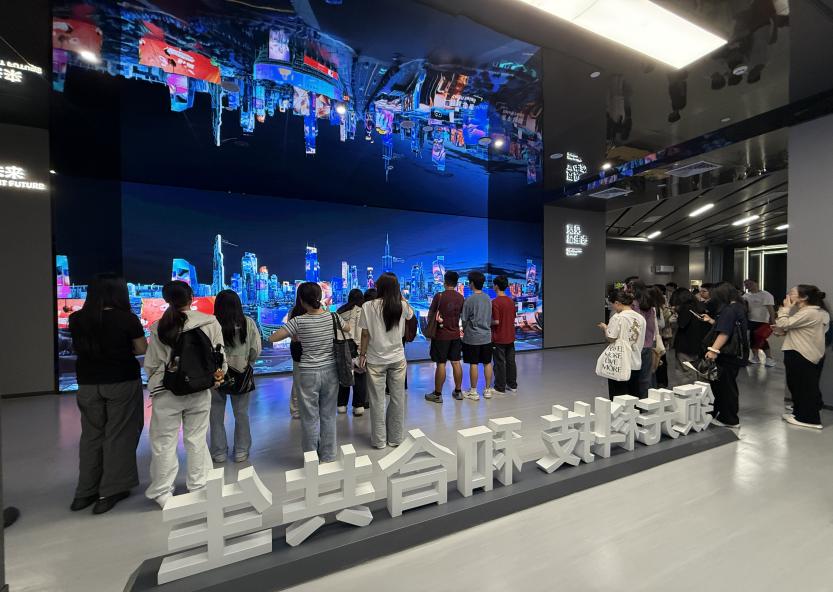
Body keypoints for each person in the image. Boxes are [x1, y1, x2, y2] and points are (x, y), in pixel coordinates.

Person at [68, 274, 146, 514]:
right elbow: (141, 349)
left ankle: (85, 492)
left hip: (87, 383)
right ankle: (110, 491)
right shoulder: (127, 319)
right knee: (119, 434)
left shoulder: (77, 319)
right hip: (121, 381)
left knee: (91, 436)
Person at [144, 280, 226, 508]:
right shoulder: (209, 322)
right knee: (196, 439)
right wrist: (216, 378)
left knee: (164, 442)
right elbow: (219, 356)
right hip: (199, 389)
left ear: (166, 300)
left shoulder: (159, 326)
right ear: (192, 298)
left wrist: (156, 381)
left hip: (166, 391)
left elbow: (152, 363)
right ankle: (199, 485)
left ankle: (162, 491)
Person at [269, 282, 342, 462]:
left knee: (309, 418)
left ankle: (311, 459)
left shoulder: (298, 321)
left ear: (301, 300)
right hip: (331, 371)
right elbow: (347, 328)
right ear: (319, 297)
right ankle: (329, 455)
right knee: (328, 415)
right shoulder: (333, 317)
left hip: (307, 372)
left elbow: (273, 337)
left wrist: (295, 335)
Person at [357, 273, 414, 448]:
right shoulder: (402, 305)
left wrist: (362, 355)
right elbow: (410, 315)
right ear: (397, 288)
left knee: (377, 401)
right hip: (397, 358)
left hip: (375, 360)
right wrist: (400, 296)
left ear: (379, 287)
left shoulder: (368, 306)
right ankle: (395, 438)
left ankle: (379, 440)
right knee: (398, 399)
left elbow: (365, 334)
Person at [209, 290, 261, 463]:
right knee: (241, 414)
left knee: (215, 415)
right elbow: (255, 350)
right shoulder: (247, 322)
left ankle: (219, 452)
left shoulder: (211, 323)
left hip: (215, 374)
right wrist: (248, 362)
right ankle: (241, 451)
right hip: (241, 372)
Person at [776, 285, 830, 429]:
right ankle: (799, 414)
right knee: (798, 386)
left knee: (804, 387)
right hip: (800, 351)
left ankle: (810, 419)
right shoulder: (809, 312)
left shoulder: (810, 312)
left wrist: (785, 309)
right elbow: (792, 328)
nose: (788, 295)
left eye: (792, 293)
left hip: (801, 353)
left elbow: (783, 322)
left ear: (804, 297)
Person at [703, 282, 749, 428]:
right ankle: (722, 414)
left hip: (726, 355)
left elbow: (724, 332)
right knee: (727, 385)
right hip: (735, 355)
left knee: (725, 387)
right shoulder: (739, 307)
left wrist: (713, 350)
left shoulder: (729, 310)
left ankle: (729, 419)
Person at [424, 271, 465, 403]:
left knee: (441, 363)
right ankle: (458, 391)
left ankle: (437, 394)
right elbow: (462, 316)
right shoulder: (460, 297)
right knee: (456, 362)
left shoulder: (439, 296)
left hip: (441, 336)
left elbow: (431, 314)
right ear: (456, 283)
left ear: (445, 282)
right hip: (455, 335)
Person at [597, 291, 646, 399]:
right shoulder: (640, 318)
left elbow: (611, 338)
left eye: (612, 304)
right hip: (635, 360)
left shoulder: (618, 317)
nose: (613, 307)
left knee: (618, 395)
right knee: (634, 393)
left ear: (617, 302)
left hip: (619, 362)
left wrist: (605, 328)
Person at [461, 271, 494, 400]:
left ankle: (474, 392)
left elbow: (464, 319)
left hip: (472, 337)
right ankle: (487, 390)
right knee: (487, 363)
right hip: (486, 336)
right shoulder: (488, 299)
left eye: (469, 282)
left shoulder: (469, 300)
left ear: (472, 283)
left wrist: (466, 330)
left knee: (473, 363)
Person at [337, 289, 367, 417]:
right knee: (359, 376)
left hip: (341, 347)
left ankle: (341, 405)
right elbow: (360, 333)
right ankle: (358, 406)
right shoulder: (360, 311)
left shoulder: (340, 311)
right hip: (355, 347)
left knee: (344, 376)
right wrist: (362, 352)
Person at [630, 280, 658, 396]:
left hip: (635, 345)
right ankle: (647, 401)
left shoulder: (633, 305)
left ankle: (636, 401)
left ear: (633, 289)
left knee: (633, 377)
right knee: (646, 376)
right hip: (648, 343)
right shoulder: (649, 303)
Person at [491, 275, 518, 394]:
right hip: (510, 336)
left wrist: (487, 322)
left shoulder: (495, 302)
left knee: (499, 362)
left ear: (496, 286)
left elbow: (496, 321)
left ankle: (500, 387)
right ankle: (512, 385)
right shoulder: (511, 301)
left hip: (499, 337)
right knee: (511, 361)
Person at [673, 288, 710, 371]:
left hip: (685, 345)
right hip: (697, 343)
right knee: (695, 370)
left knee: (685, 371)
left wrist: (677, 314)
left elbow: (682, 324)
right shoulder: (698, 305)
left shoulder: (686, 308)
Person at [743, 279, 776, 367]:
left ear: (756, 283)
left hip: (762, 321)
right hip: (750, 320)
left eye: (750, 284)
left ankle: (769, 358)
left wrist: (773, 321)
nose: (748, 286)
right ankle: (755, 357)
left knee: (761, 340)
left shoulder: (766, 295)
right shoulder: (746, 296)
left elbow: (771, 309)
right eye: (746, 285)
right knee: (752, 339)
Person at [287, 295, 305, 420]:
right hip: (304, 347)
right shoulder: (317, 310)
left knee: (297, 379)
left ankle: (296, 410)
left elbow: (290, 333)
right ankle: (299, 409)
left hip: (297, 346)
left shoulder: (293, 311)